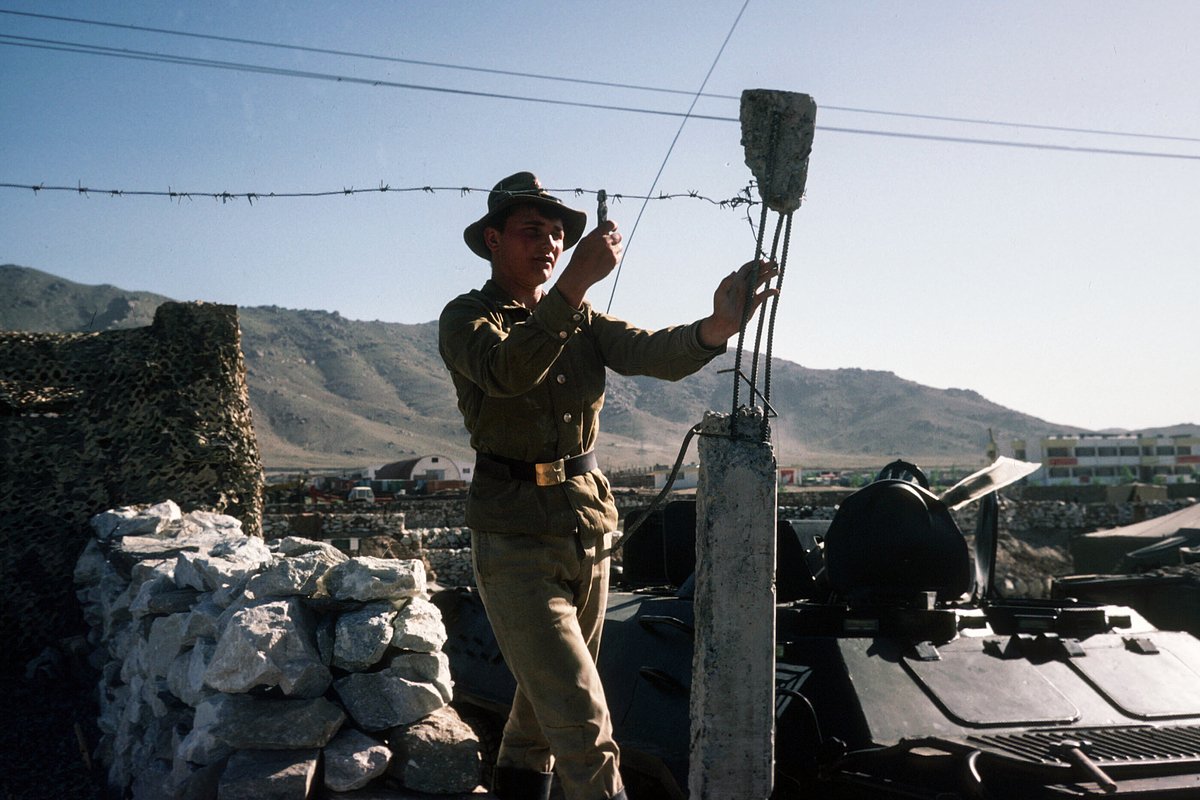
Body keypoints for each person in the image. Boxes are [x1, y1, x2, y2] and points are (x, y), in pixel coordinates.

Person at [438, 172, 776, 800]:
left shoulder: (580, 315)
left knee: (542, 714)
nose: (549, 244)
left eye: (558, 235)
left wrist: (717, 326)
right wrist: (574, 283)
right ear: (492, 240)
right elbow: (507, 372)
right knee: (583, 721)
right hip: (513, 538)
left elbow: (650, 352)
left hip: (586, 528)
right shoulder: (467, 316)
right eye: (531, 232)